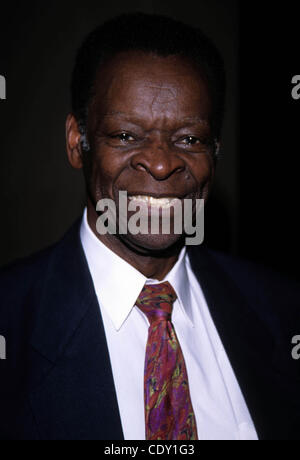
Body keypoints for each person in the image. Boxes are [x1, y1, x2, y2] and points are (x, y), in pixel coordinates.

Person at [0, 13, 299, 441]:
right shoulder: (11, 324)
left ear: (215, 152)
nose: (160, 163)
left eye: (189, 139)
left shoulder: (282, 311)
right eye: (125, 135)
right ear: (76, 143)